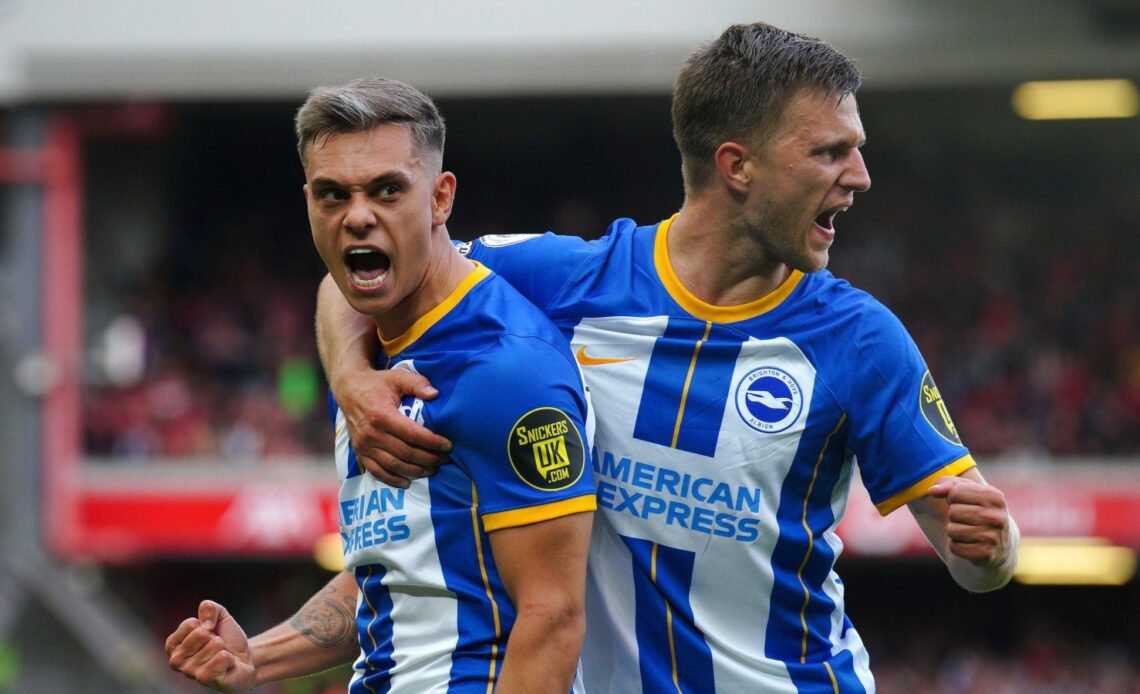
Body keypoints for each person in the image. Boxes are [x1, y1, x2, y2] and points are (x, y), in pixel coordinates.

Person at [316, 23, 1020, 693]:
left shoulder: (859, 338)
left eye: (855, 148)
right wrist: (350, 377)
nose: (860, 176)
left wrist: (993, 549)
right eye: (830, 152)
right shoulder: (563, 281)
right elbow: (370, 265)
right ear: (737, 166)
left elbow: (975, 558)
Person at [165, 77, 596, 693]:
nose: (358, 216)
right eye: (333, 195)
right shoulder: (371, 367)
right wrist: (257, 657)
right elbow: (394, 568)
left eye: (388, 191)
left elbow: (553, 619)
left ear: (441, 198)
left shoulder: (506, 370)